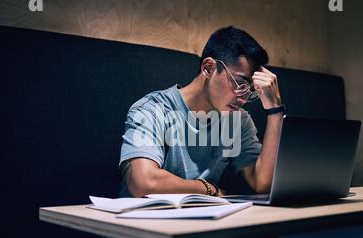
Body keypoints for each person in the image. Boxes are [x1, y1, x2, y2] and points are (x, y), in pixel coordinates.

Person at [119, 26, 285, 198]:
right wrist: (208, 188)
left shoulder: (237, 120)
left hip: (202, 222)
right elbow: (143, 182)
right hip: (140, 221)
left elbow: (262, 182)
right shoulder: (152, 109)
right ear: (208, 68)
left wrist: (275, 111)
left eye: (249, 90)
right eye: (239, 84)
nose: (243, 99)